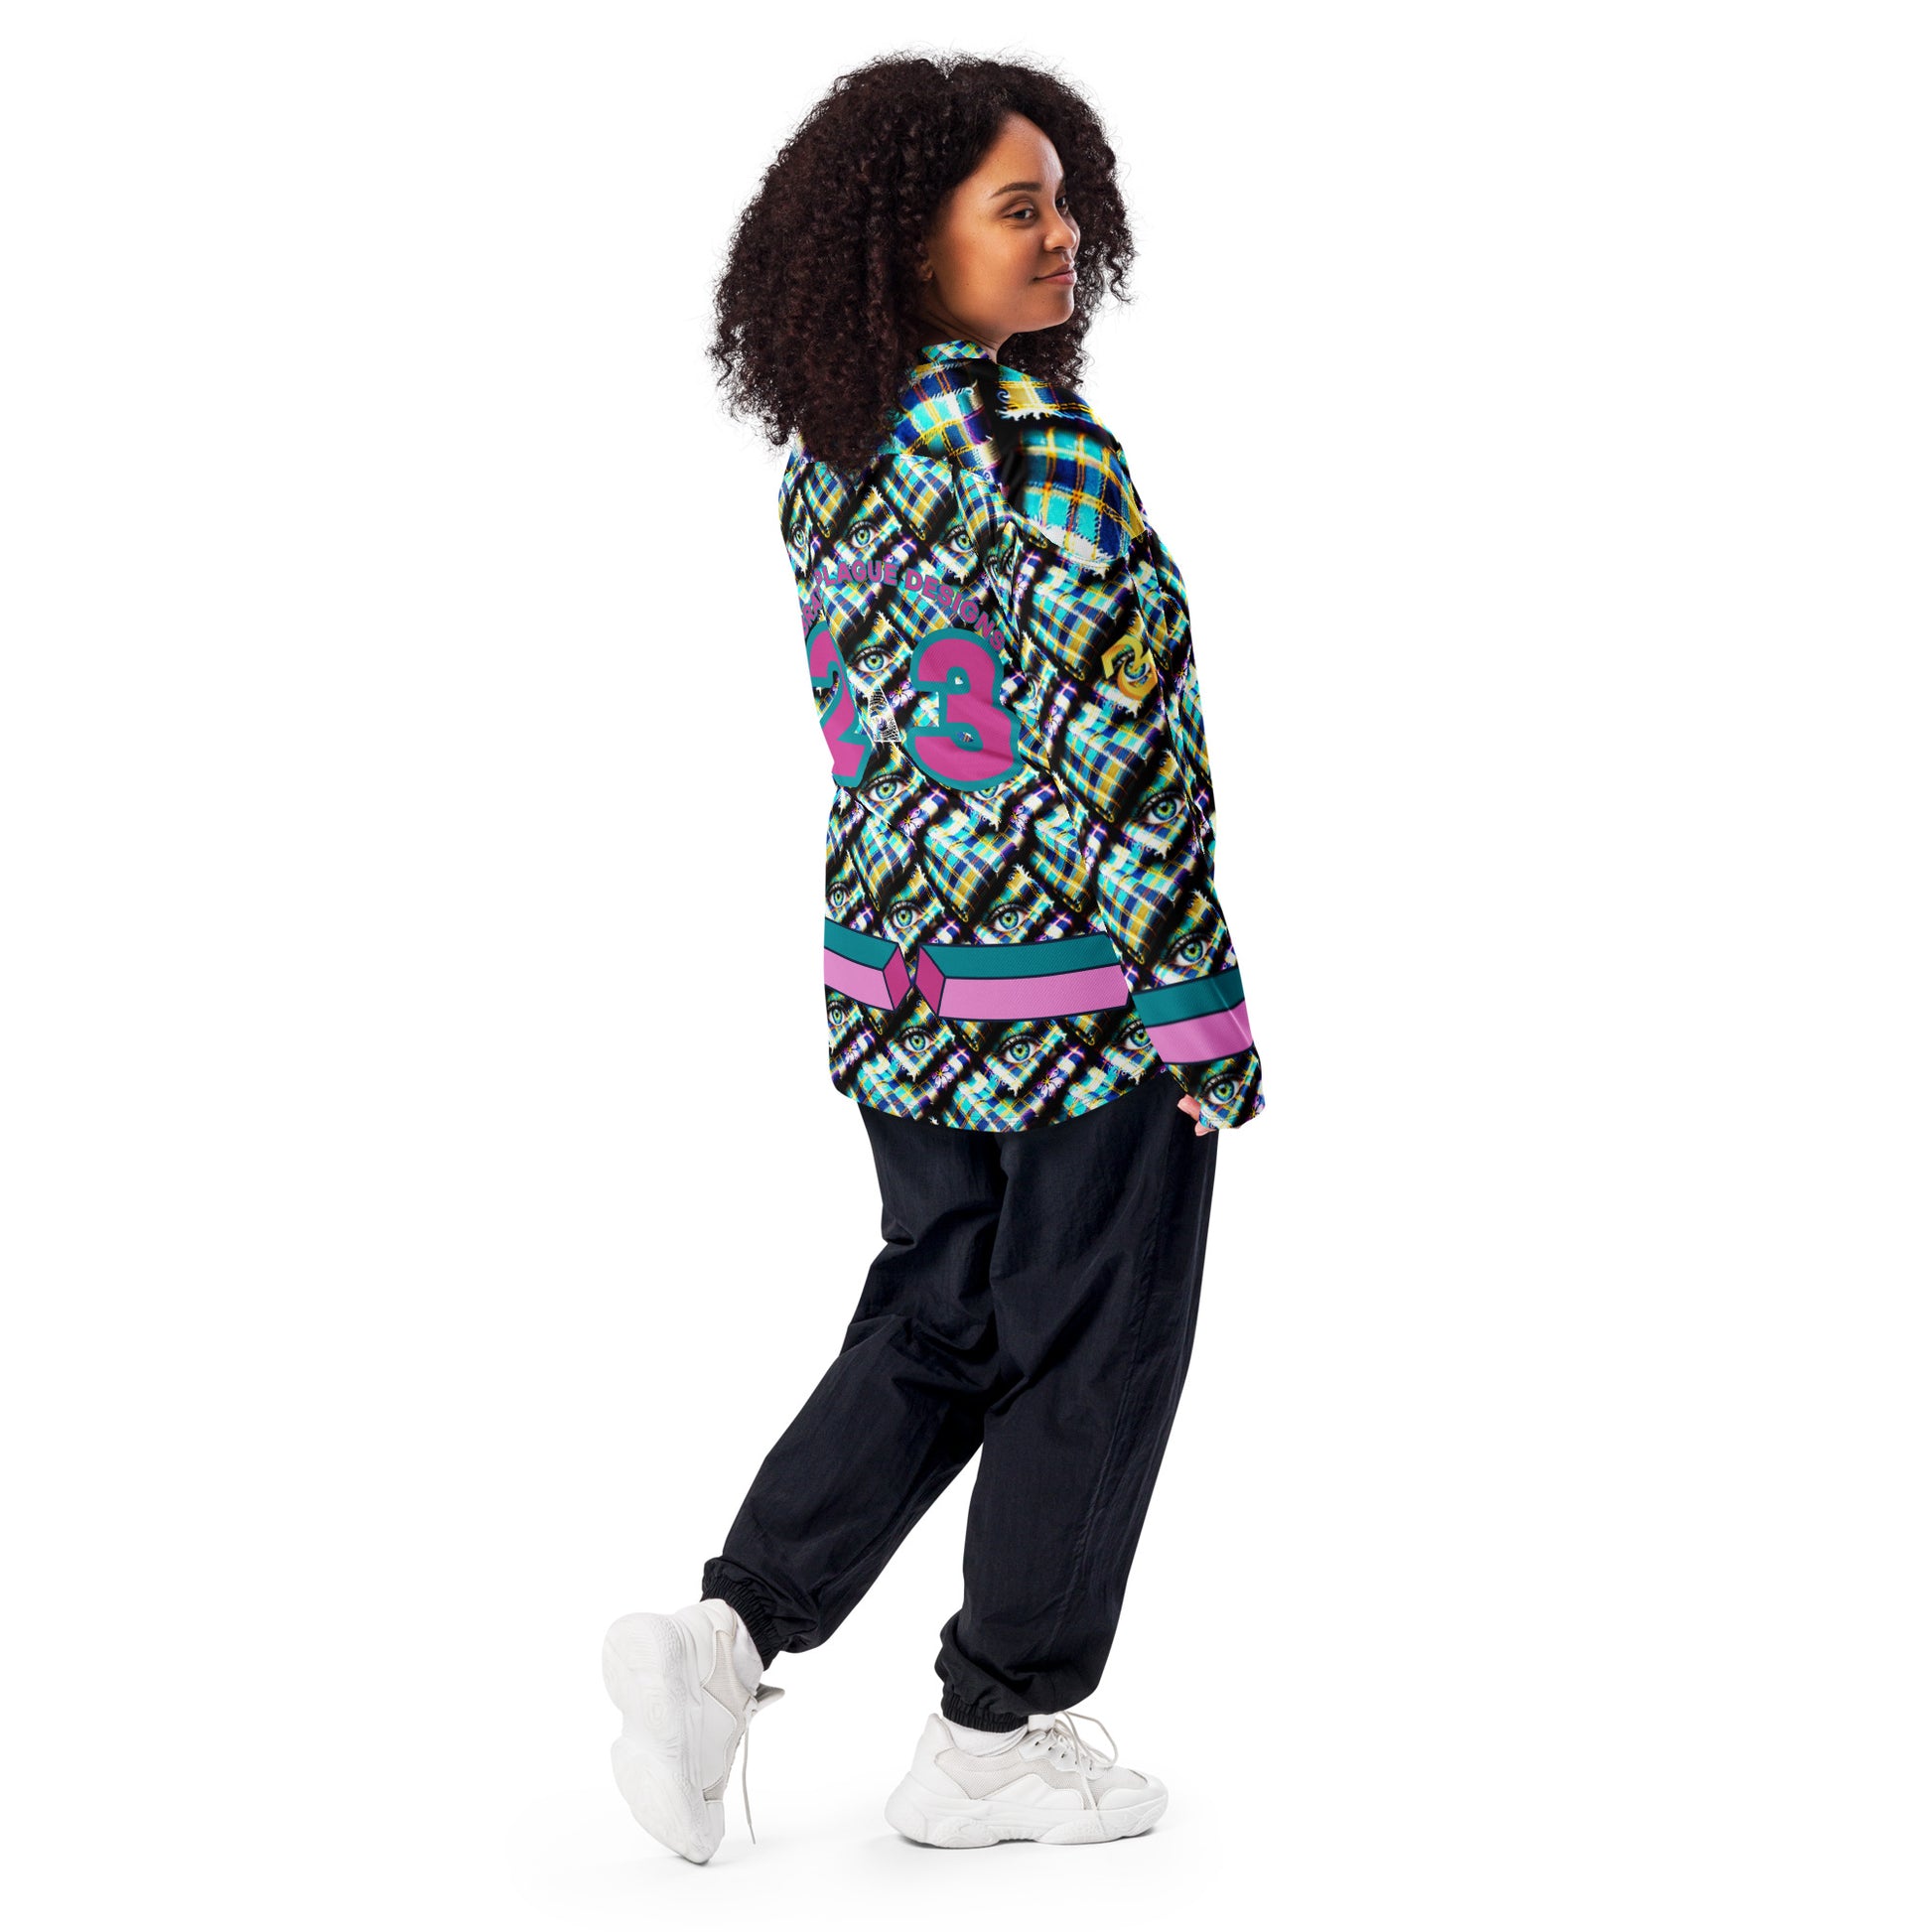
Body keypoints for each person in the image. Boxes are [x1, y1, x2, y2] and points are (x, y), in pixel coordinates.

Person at [603, 52, 1266, 1863]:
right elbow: (1132, 758)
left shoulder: (832, 455)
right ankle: (995, 1732)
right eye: (1016, 209)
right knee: (1094, 1346)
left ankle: (727, 1635)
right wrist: (1197, 1014)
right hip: (1079, 993)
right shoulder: (1045, 456)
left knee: (943, 1317)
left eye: (1065, 205)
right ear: (915, 242)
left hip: (899, 977)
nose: (1061, 240)